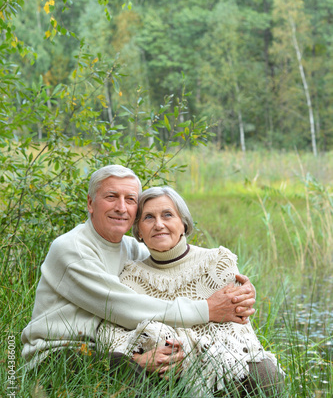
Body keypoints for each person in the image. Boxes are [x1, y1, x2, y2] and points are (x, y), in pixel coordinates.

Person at [21, 165, 256, 385]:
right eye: (111, 197)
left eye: (130, 199)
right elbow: (121, 306)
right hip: (59, 355)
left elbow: (177, 266)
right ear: (91, 203)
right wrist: (206, 309)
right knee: (130, 372)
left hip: (106, 350)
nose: (121, 207)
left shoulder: (131, 248)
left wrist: (236, 289)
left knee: (168, 363)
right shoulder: (72, 249)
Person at [97, 186, 284, 398]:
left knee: (264, 370)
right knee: (134, 373)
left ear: (183, 223)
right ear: (138, 232)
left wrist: (188, 351)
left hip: (216, 365)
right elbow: (109, 332)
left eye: (167, 215)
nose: (158, 224)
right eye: (148, 217)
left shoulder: (216, 262)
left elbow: (236, 329)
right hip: (162, 372)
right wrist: (141, 356)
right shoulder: (130, 277)